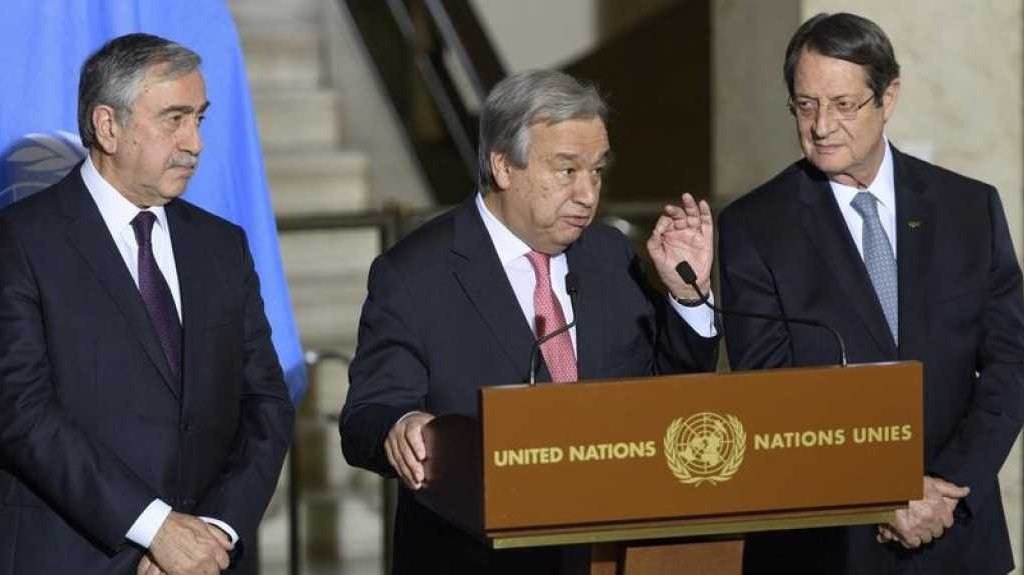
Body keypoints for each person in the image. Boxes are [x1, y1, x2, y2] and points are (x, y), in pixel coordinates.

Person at [340, 69, 719, 573]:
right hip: (477, 556)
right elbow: (367, 413)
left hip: (609, 551)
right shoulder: (415, 272)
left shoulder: (609, 255)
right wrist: (401, 425)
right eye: (567, 170)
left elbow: (669, 396)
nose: (588, 194)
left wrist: (688, 298)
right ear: (503, 166)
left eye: (596, 170)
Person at [718, 12, 1024, 575]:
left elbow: (1012, 363)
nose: (821, 126)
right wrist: (883, 495)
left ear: (889, 98)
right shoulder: (753, 228)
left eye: (843, 104)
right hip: (827, 547)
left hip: (955, 535)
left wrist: (945, 488)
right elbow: (771, 400)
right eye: (805, 105)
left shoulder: (968, 209)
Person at [0, 33, 294, 574]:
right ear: (107, 126)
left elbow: (267, 404)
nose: (194, 143)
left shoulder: (221, 246)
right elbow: (21, 411)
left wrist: (214, 533)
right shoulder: (20, 241)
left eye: (199, 119)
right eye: (174, 119)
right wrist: (156, 528)